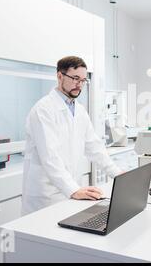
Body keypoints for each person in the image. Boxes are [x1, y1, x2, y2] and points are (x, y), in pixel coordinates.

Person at [22, 56, 122, 215]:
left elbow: (93, 146)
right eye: (75, 78)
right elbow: (50, 157)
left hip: (70, 188)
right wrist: (74, 190)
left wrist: (117, 173)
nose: (79, 85)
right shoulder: (43, 110)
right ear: (59, 76)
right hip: (47, 194)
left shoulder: (79, 110)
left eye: (83, 80)